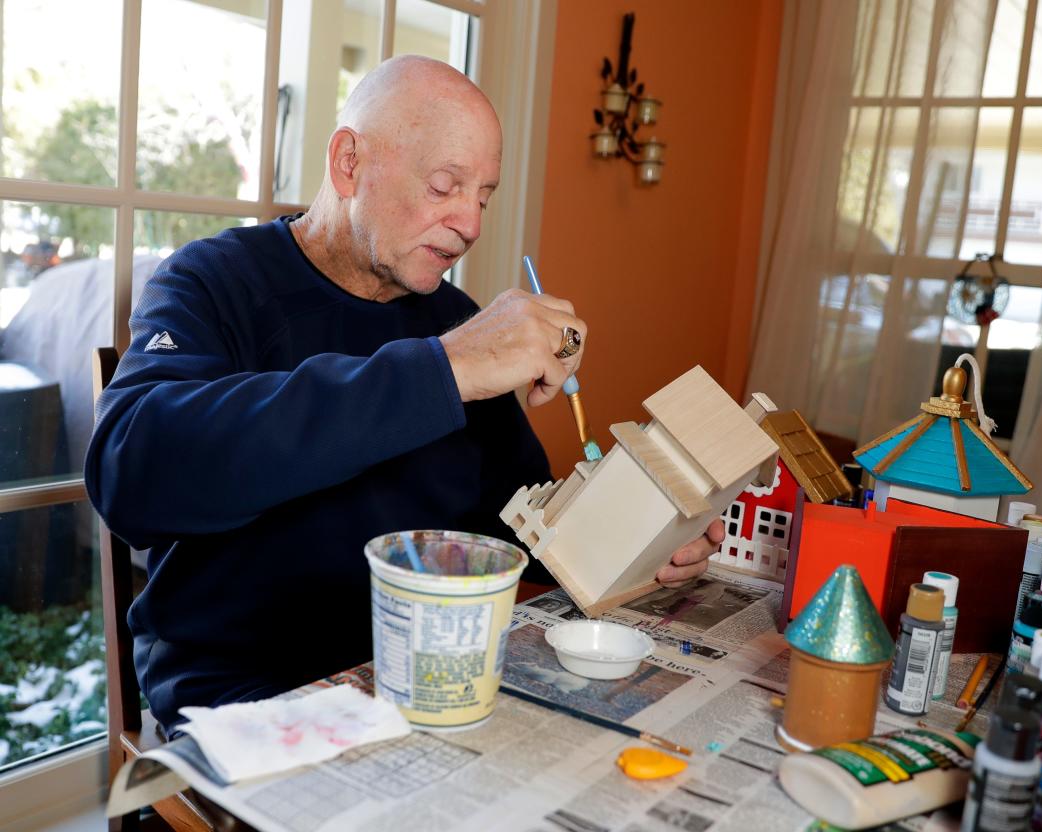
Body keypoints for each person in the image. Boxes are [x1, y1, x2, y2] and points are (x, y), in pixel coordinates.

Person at [86, 56, 722, 731]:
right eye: (445, 185)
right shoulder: (214, 281)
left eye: (483, 196)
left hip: (429, 677)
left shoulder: (457, 320)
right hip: (253, 697)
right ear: (349, 163)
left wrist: (631, 536)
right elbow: (132, 473)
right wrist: (444, 370)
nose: (470, 224)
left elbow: (519, 527)